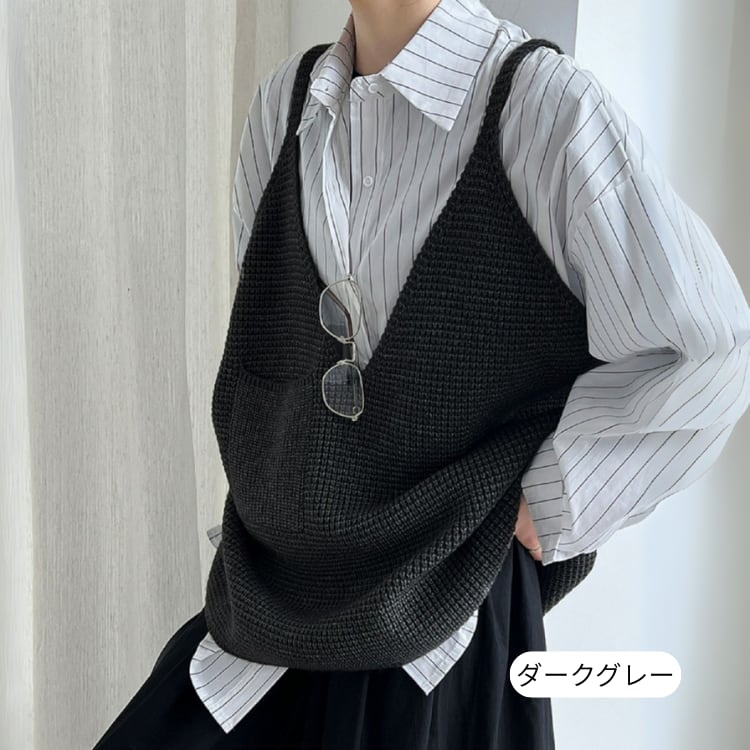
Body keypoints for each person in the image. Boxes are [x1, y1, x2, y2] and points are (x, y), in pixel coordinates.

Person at [92, 0, 750, 748]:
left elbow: (709, 351)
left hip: (442, 632)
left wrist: (549, 501)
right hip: (269, 604)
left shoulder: (544, 111)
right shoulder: (284, 106)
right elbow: (269, 343)